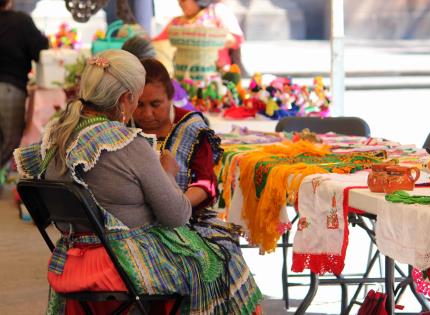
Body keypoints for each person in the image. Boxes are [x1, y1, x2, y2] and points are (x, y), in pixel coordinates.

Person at [14, 50, 261, 314]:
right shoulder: (126, 143)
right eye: (137, 98)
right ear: (125, 98)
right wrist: (165, 170)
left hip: (70, 260)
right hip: (120, 265)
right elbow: (176, 214)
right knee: (221, 255)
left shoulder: (56, 135)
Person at [133, 58, 262, 314]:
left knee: (221, 256)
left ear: (170, 97)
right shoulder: (123, 128)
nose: (147, 114)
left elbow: (206, 185)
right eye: (139, 105)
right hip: (136, 223)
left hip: (191, 220)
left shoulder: (193, 129)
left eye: (155, 104)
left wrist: (175, 205)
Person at [0, 0, 48, 172]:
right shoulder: (21, 21)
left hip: (8, 88)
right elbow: (40, 50)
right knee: (10, 141)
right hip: (9, 89)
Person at [154, 0, 244, 70]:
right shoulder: (176, 22)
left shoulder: (216, 10)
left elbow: (235, 38)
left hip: (217, 73)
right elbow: (158, 42)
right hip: (183, 74)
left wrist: (202, 41)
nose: (180, 3)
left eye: (183, 0)